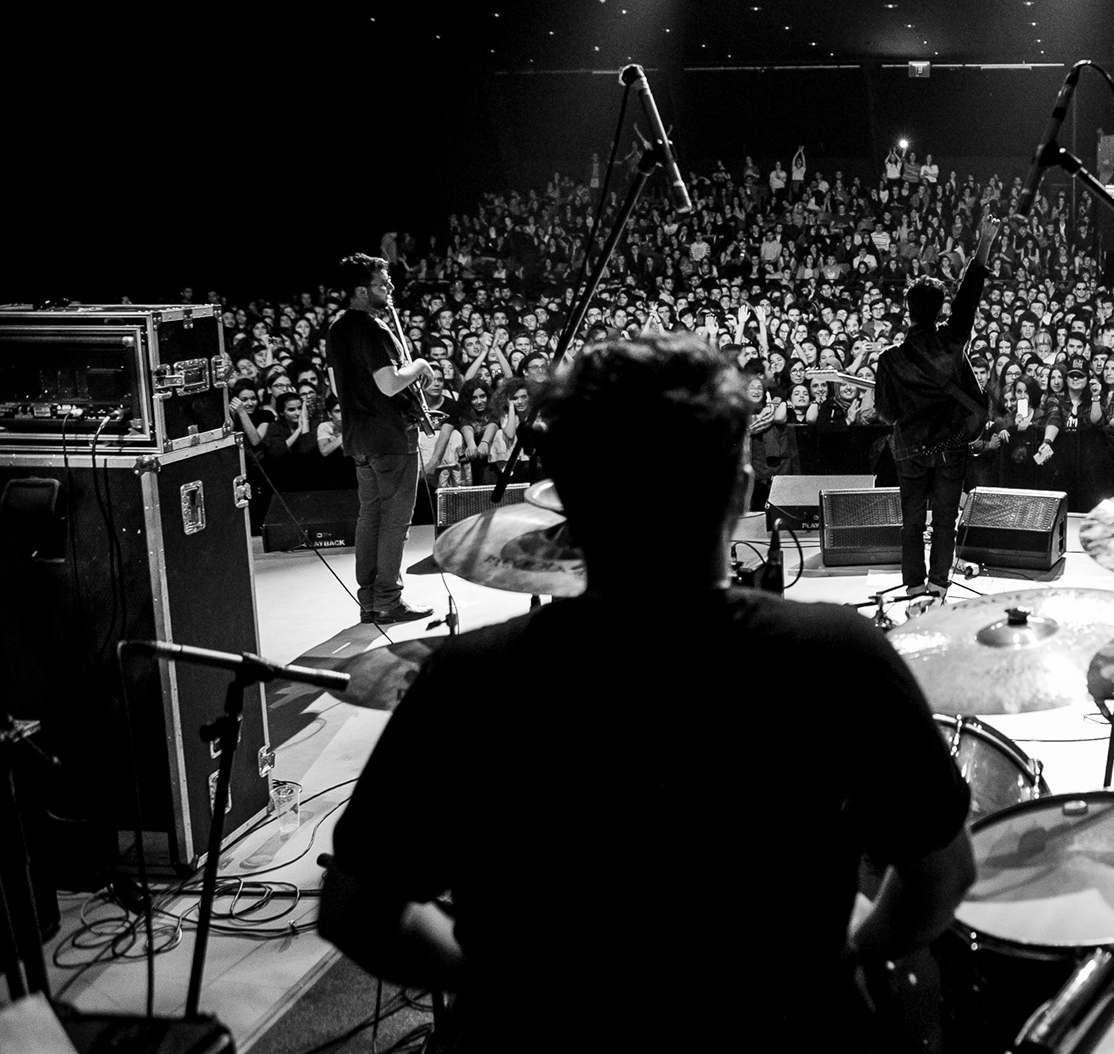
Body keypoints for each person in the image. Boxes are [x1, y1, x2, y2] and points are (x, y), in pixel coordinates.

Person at [319, 335, 976, 1053]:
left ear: (564, 499)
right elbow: (941, 876)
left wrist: (498, 982)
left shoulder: (468, 679)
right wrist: (851, 950)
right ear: (740, 490)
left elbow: (356, 911)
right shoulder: (837, 656)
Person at [875, 216, 1003, 597]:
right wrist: (984, 242)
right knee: (945, 522)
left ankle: (915, 590)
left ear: (908, 310)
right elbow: (970, 294)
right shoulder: (951, 339)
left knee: (912, 524)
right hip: (950, 448)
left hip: (910, 451)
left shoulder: (889, 359)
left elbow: (885, 412)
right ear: (939, 310)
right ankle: (938, 587)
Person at [326, 254, 433, 626]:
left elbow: (336, 386)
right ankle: (388, 599)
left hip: (359, 438)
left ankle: (370, 601)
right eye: (383, 283)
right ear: (361, 290)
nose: (390, 288)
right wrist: (419, 365)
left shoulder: (337, 329)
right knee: (394, 522)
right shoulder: (373, 328)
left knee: (370, 516)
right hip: (389, 437)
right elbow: (389, 384)